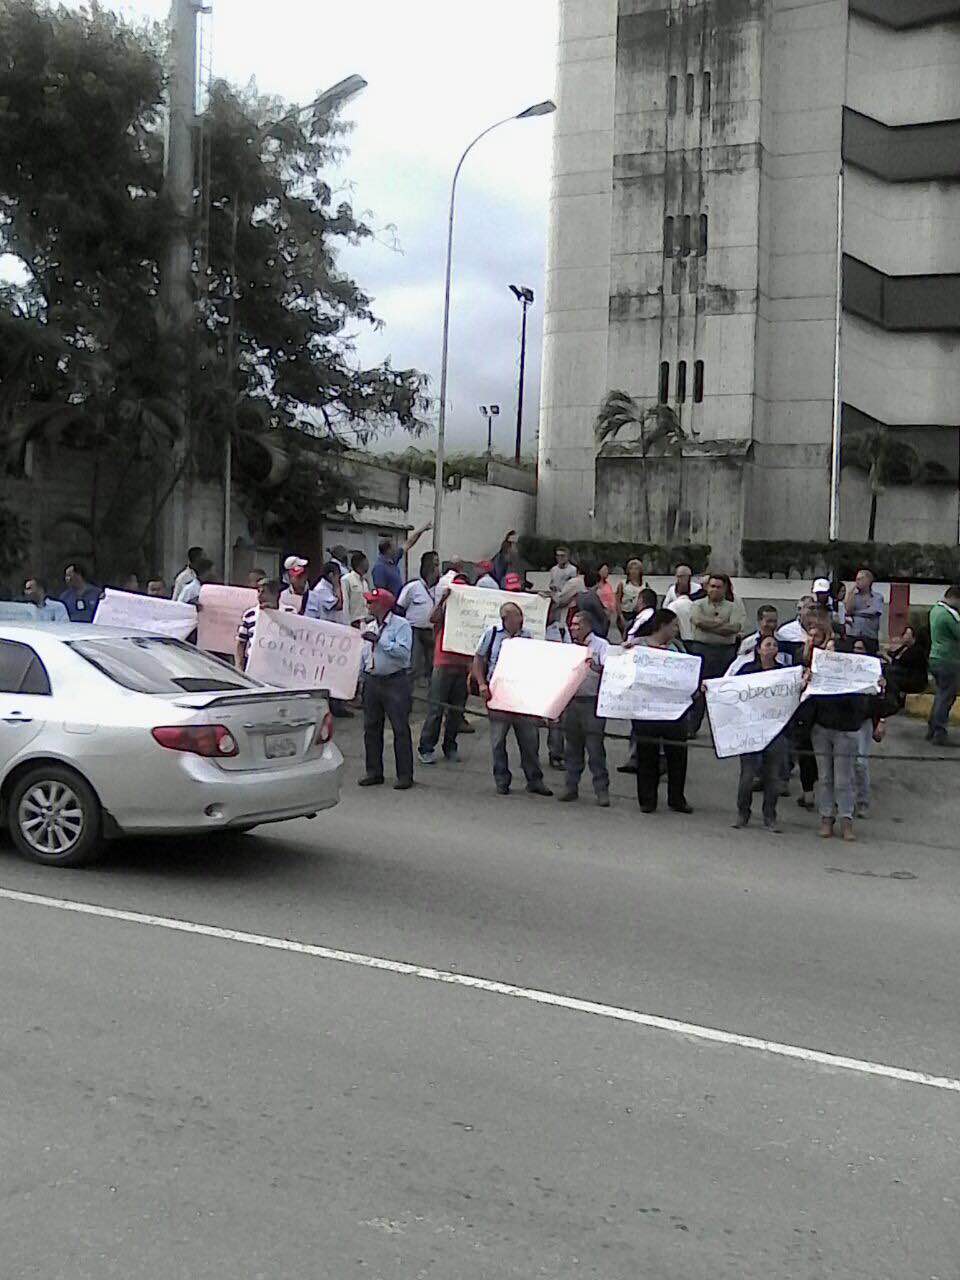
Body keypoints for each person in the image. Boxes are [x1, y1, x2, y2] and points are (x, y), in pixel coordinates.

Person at [804, 630, 884, 842]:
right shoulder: (817, 672)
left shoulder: (854, 675)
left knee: (843, 779)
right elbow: (806, 700)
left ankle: (846, 819)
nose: (827, 654)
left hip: (846, 731)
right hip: (821, 729)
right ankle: (826, 817)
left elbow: (868, 705)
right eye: (826, 650)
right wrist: (808, 682)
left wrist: (877, 687)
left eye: (832, 650)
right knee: (825, 777)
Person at [472, 602, 553, 797]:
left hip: (521, 695)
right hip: (498, 694)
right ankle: (502, 779)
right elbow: (479, 658)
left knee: (529, 740)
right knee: (497, 741)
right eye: (517, 616)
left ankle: (534, 779)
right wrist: (482, 684)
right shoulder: (491, 634)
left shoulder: (527, 637)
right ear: (505, 619)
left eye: (521, 615)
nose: (521, 619)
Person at [731, 635, 800, 833]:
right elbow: (731, 691)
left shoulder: (783, 674)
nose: (771, 648)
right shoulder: (747, 671)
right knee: (747, 775)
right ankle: (743, 812)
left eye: (775, 645)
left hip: (776, 731)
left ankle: (770, 815)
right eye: (767, 645)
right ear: (759, 649)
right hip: (751, 730)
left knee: (773, 776)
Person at [633, 609, 694, 814]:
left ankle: (676, 798)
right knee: (647, 755)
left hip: (674, 712)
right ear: (662, 625)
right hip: (646, 710)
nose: (677, 629)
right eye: (674, 625)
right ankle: (647, 799)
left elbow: (688, 672)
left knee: (677, 755)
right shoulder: (638, 645)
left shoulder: (677, 647)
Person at [358, 588, 415, 790]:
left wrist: (380, 641)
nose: (368, 606)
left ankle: (404, 774)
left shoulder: (401, 626)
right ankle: (373, 771)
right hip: (372, 680)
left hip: (394, 681)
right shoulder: (370, 625)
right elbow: (364, 655)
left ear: (382, 605)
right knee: (371, 727)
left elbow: (403, 653)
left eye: (372, 603)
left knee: (400, 728)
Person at [418, 574, 472, 765]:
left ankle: (450, 746)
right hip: (443, 663)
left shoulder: (470, 613)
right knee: (436, 708)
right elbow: (432, 618)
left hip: (462, 665)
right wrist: (443, 599)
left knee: (456, 711)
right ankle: (426, 747)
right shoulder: (445, 612)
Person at [558, 611, 610, 806]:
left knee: (595, 749)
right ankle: (571, 787)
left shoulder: (601, 646)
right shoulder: (568, 646)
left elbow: (608, 669)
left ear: (588, 625)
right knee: (571, 747)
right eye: (572, 624)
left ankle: (602, 790)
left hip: (592, 702)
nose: (573, 628)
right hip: (571, 701)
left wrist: (593, 666)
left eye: (577, 624)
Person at [688, 573, 745, 680]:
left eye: (719, 587)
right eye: (712, 586)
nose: (715, 590)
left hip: (725, 652)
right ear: (707, 587)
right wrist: (720, 623)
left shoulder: (733, 607)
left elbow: (734, 628)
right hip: (701, 649)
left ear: (725, 589)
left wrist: (707, 626)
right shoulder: (697, 604)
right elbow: (698, 621)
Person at [926, 584, 960, 746]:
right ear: (954, 598)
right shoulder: (948, 615)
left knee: (940, 695)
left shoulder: (935, 610)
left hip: (936, 657)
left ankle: (932, 727)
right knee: (946, 697)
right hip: (948, 659)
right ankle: (939, 731)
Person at [398, 552, 439, 682]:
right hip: (414, 630)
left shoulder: (440, 588)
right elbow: (400, 608)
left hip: (432, 631)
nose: (438, 568)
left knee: (432, 666)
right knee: (413, 665)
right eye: (435, 564)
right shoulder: (413, 587)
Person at [371, 523, 431, 597]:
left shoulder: (392, 560)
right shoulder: (379, 567)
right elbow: (380, 592)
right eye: (394, 547)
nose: (396, 548)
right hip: (389, 605)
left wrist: (422, 530)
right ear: (388, 550)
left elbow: (408, 543)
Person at [726, 605, 788, 676]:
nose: (772, 625)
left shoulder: (783, 640)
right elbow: (738, 663)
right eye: (769, 621)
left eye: (775, 621)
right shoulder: (748, 642)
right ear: (759, 621)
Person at [235, 578, 281, 671]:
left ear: (275, 595)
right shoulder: (250, 615)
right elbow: (241, 642)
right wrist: (239, 666)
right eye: (258, 591)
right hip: (254, 667)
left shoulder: (290, 613)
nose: (260, 595)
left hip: (280, 668)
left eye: (264, 592)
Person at [887, 624, 928, 707]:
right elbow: (894, 657)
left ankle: (896, 702)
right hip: (903, 674)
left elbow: (905, 664)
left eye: (907, 634)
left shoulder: (917, 650)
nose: (904, 636)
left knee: (892, 678)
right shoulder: (903, 648)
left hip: (914, 679)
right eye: (904, 633)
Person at [845, 568, 883, 654]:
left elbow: (873, 611)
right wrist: (850, 594)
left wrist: (855, 613)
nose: (857, 581)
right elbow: (848, 610)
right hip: (853, 633)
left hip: (869, 635)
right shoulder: (854, 596)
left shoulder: (877, 597)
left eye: (860, 579)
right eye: (856, 579)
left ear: (868, 581)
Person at [665, 573, 705, 642]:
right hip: (696, 641)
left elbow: (668, 624)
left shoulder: (673, 606)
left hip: (680, 641)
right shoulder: (696, 605)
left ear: (676, 592)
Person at [575, 566, 611, 639]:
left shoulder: (579, 595)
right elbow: (601, 614)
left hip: (584, 627)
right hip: (596, 628)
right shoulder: (593, 596)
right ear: (597, 582)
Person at [341, 552, 371, 627]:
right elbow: (345, 602)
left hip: (366, 621)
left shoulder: (364, 582)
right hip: (354, 622)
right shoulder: (347, 579)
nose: (368, 565)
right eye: (366, 563)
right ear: (360, 564)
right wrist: (347, 624)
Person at [616, 559, 645, 636]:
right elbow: (617, 601)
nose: (633, 571)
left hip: (638, 614)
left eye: (636, 569)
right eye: (631, 569)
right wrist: (621, 616)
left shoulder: (644, 585)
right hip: (625, 614)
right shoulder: (623, 584)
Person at [548, 546, 578, 612]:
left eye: (562, 556)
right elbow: (551, 584)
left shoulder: (572, 570)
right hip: (556, 602)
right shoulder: (553, 569)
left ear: (567, 557)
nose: (560, 558)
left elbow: (574, 588)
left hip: (569, 603)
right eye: (558, 556)